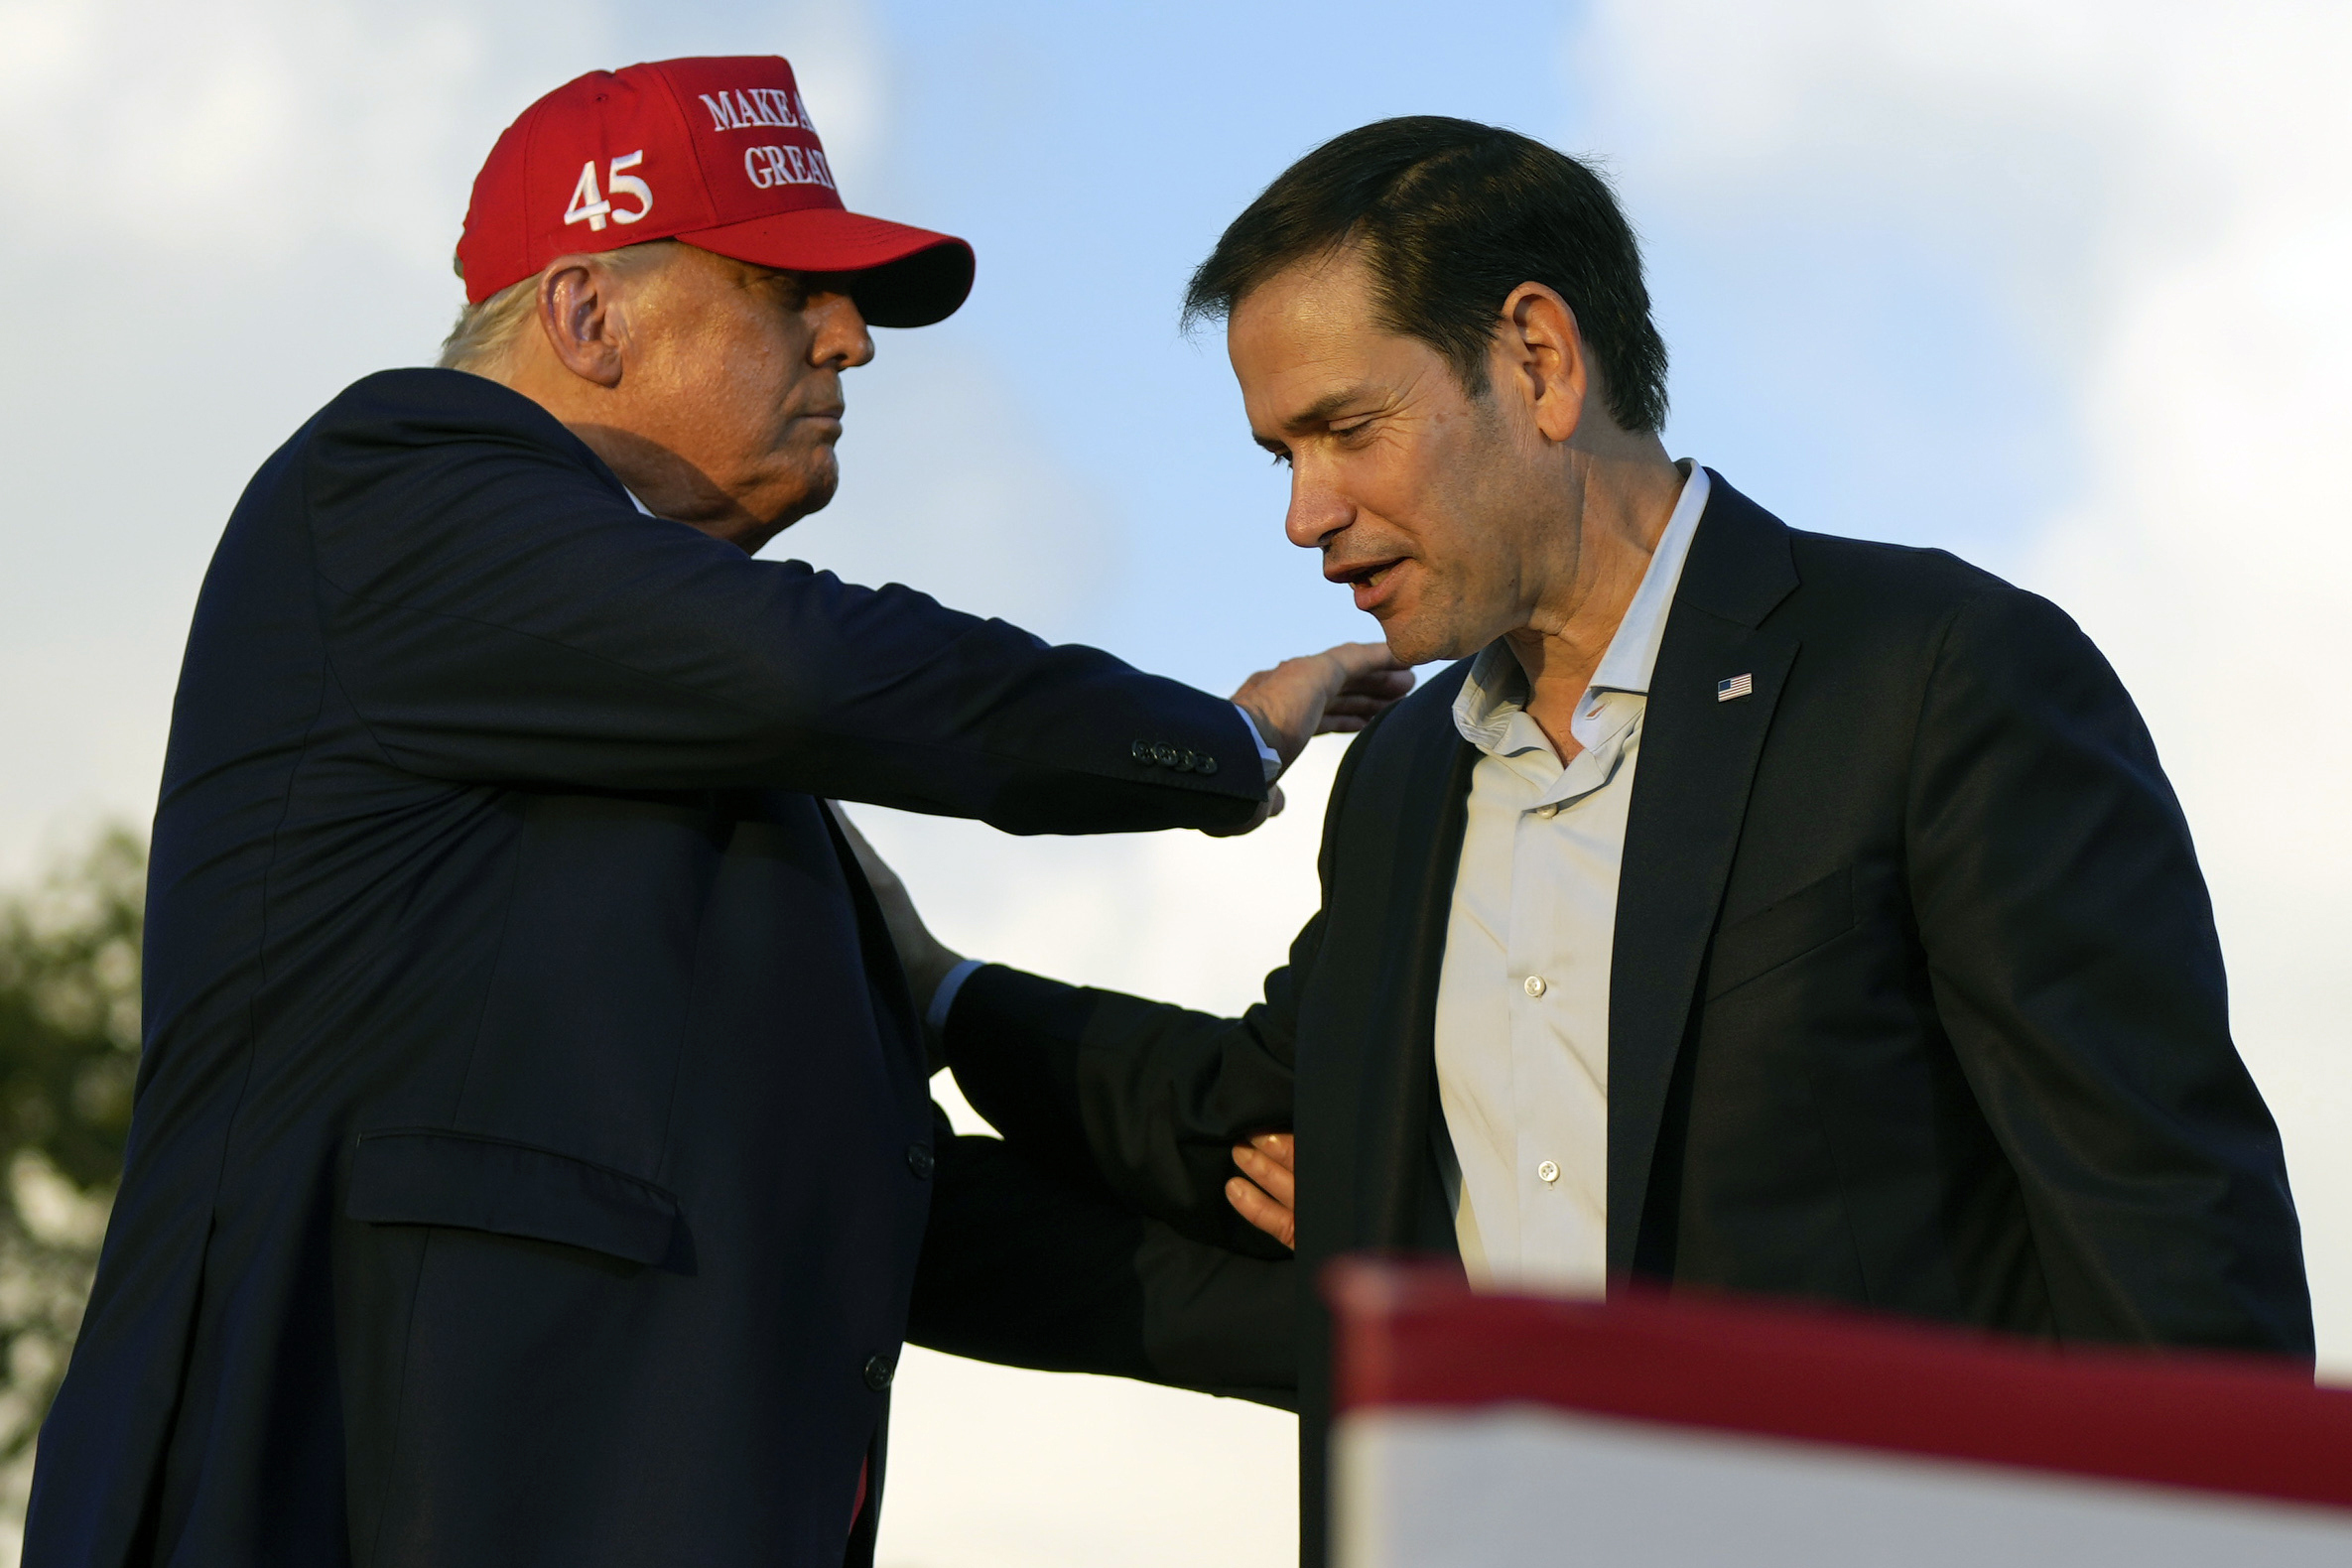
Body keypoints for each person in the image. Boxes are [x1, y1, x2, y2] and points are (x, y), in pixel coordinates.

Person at [873, 116, 2315, 1567]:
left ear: (1539, 361)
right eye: (1279, 455)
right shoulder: (1401, 784)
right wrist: (936, 990)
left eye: (1345, 429)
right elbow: (1248, 1116)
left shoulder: (1934, 675)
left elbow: (2162, 1231)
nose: (1307, 513)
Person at [23, 56, 1403, 1568]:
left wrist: (1396, 1326)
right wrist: (1217, 736)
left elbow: (867, 1205)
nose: (850, 339)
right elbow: (814, 662)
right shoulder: (389, 482)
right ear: (584, 314)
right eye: (779, 290)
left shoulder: (667, 729)